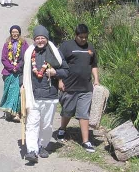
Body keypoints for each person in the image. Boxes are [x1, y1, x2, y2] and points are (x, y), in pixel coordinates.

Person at [22, 25, 69, 163]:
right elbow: (22, 70)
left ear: (47, 39)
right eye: (37, 38)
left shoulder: (55, 53)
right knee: (32, 123)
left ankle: (43, 145)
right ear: (34, 40)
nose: (40, 40)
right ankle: (31, 150)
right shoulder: (29, 53)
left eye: (43, 38)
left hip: (50, 95)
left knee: (47, 124)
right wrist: (21, 85)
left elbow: (66, 70)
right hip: (33, 95)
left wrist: (55, 73)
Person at [57, 24, 100, 153]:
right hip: (69, 86)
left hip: (86, 87)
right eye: (81, 37)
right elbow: (58, 64)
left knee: (84, 113)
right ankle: (62, 129)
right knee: (67, 110)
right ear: (75, 35)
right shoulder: (66, 46)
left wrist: (96, 80)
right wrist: (59, 80)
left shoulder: (90, 47)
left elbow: (94, 65)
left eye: (86, 37)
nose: (83, 40)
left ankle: (86, 141)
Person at [0, 25, 29, 122]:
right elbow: (3, 58)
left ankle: (16, 112)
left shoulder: (24, 44)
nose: (15, 34)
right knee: (8, 91)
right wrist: (12, 67)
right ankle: (8, 111)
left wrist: (18, 67)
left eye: (16, 32)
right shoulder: (6, 44)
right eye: (13, 32)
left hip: (19, 72)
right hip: (8, 72)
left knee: (17, 92)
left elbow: (26, 57)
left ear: (19, 33)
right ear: (10, 33)